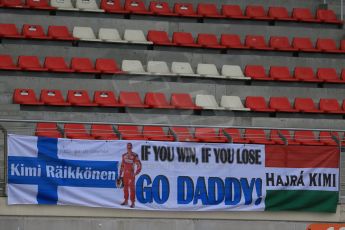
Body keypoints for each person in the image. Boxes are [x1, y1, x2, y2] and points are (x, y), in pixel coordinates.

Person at [119, 142, 142, 208]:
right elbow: (122, 165)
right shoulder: (124, 155)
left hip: (131, 174)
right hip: (125, 174)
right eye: (128, 146)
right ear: (126, 147)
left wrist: (136, 173)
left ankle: (133, 202)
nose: (129, 148)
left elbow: (139, 165)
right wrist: (120, 174)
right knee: (125, 188)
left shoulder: (135, 155)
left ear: (131, 147)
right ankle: (126, 201)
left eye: (130, 146)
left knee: (132, 188)